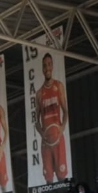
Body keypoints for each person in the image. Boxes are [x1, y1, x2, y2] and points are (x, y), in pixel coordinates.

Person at [34, 53, 69, 184]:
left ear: (52, 66)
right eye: (44, 65)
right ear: (42, 69)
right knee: (48, 180)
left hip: (58, 137)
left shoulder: (58, 86)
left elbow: (65, 111)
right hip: (46, 141)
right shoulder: (39, 94)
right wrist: (42, 134)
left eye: (49, 64)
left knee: (61, 177)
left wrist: (62, 127)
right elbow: (36, 122)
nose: (47, 67)